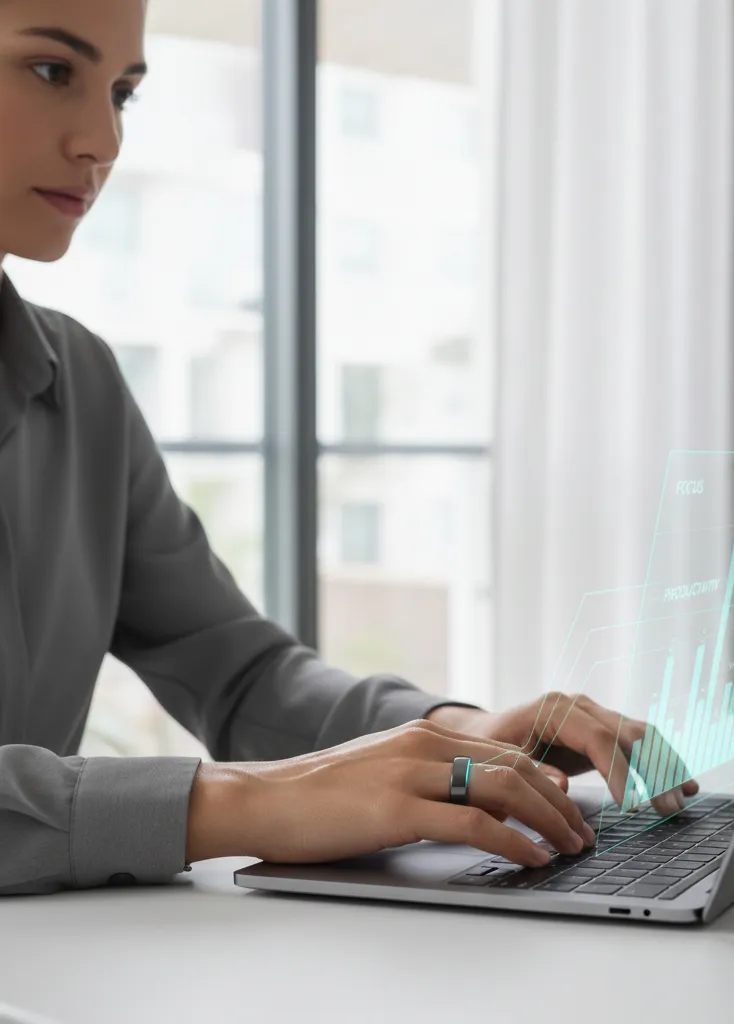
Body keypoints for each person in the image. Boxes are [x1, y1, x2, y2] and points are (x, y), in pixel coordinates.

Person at [0, 0, 695, 897]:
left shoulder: (80, 382)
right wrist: (252, 804)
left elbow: (240, 674)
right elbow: (251, 780)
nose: (103, 138)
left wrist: (460, 737)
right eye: (52, 70)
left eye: (123, 93)